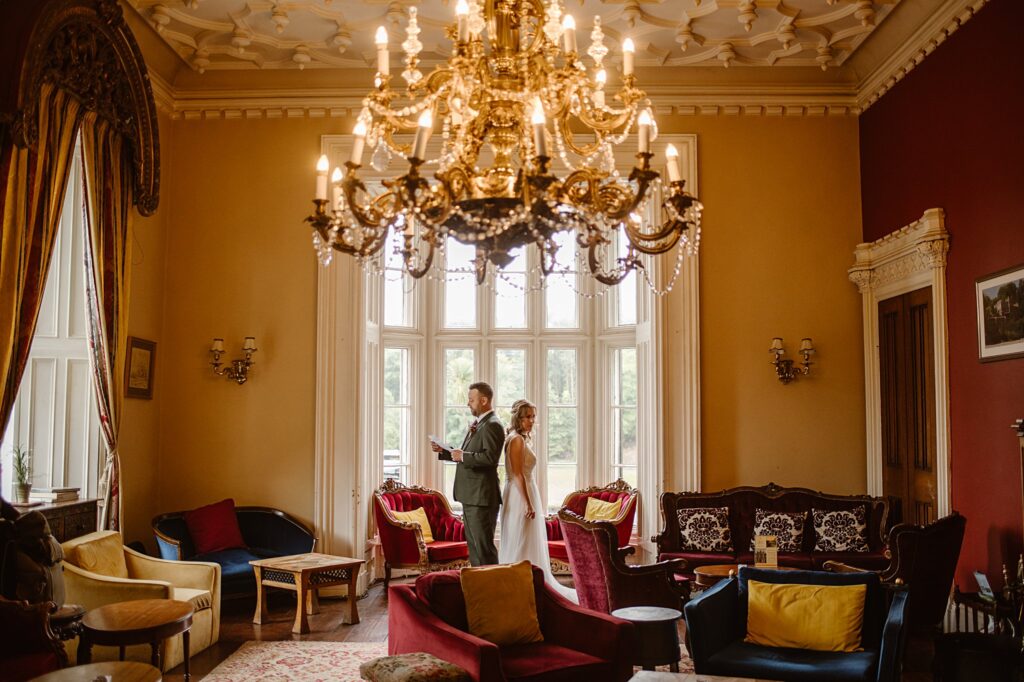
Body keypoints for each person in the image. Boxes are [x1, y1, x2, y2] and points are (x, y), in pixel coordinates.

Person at [498, 399, 578, 603]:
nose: (531, 421)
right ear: (518, 418)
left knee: (527, 538)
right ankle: (519, 587)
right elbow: (516, 475)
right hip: (519, 494)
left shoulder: (520, 438)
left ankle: (529, 586)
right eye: (527, 417)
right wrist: (527, 503)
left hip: (525, 491)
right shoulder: (516, 440)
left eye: (533, 416)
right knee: (522, 538)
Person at [432, 381, 504, 566]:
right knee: (474, 548)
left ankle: (490, 590)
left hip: (481, 497)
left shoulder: (492, 425)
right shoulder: (480, 423)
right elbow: (468, 455)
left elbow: (489, 458)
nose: (468, 403)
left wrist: (463, 456)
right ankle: (478, 589)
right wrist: (444, 452)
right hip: (472, 496)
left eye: (471, 400)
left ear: (484, 400)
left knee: (483, 549)